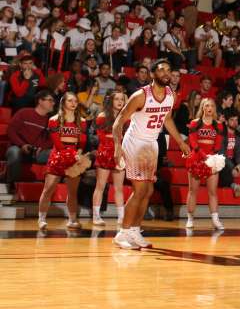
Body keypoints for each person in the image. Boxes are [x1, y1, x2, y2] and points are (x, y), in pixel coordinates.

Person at [112, 60, 191, 250]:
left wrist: (180, 142)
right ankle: (122, 233)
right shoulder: (141, 95)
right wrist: (117, 145)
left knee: (148, 191)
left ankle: (135, 230)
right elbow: (118, 121)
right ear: (152, 74)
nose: (166, 73)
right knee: (139, 191)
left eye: (169, 69)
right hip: (135, 143)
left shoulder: (171, 95)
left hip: (151, 145)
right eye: (161, 69)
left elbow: (168, 119)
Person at [38, 92, 88, 230]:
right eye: (70, 101)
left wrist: (78, 153)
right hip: (58, 154)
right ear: (63, 103)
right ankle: (41, 218)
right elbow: (57, 143)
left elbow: (82, 142)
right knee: (48, 189)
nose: (73, 103)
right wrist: (70, 154)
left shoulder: (82, 121)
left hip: (74, 156)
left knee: (72, 191)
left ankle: (72, 220)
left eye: (75, 101)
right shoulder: (54, 119)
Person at [185, 98, 225, 231]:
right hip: (196, 158)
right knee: (193, 191)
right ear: (202, 108)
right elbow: (193, 141)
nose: (209, 108)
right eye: (207, 105)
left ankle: (215, 220)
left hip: (211, 159)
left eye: (212, 106)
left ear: (214, 109)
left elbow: (218, 143)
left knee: (213, 192)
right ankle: (190, 218)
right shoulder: (195, 123)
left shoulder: (218, 125)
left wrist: (211, 156)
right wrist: (203, 155)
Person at [91, 90, 128, 227]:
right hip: (105, 153)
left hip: (120, 154)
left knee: (119, 187)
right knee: (100, 186)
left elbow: (127, 138)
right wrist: (117, 141)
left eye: (122, 99)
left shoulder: (126, 117)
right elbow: (101, 137)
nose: (120, 102)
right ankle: (96, 216)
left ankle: (121, 217)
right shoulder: (102, 116)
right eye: (116, 99)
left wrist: (120, 148)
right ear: (111, 101)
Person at [4, 90, 54, 187]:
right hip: (18, 148)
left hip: (38, 153)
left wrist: (42, 147)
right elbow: (11, 130)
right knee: (14, 152)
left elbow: (51, 140)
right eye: (50, 100)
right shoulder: (24, 112)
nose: (53, 103)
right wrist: (22, 145)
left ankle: (53, 186)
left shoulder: (51, 121)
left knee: (58, 155)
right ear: (40, 101)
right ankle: (12, 185)